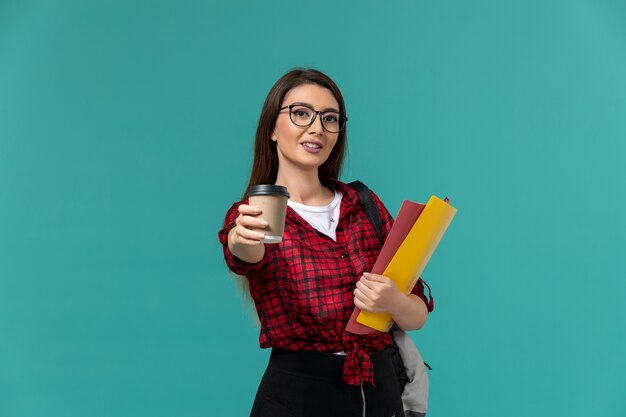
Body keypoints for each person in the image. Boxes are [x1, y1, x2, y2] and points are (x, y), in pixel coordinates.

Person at [218, 68, 433, 417]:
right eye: (301, 113)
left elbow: (417, 313)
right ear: (272, 127)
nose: (316, 127)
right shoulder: (257, 214)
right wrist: (242, 239)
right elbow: (243, 254)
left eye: (329, 118)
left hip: (379, 393)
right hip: (298, 395)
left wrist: (393, 300)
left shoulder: (364, 204)